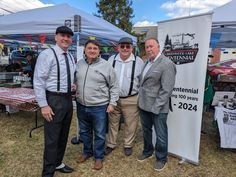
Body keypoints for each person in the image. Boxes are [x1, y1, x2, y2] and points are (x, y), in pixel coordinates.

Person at [34, 26, 76, 177]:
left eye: (69, 37)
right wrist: (44, 105)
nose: (66, 39)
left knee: (63, 135)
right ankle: (48, 172)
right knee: (52, 138)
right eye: (63, 35)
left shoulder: (70, 56)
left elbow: (66, 77)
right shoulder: (47, 54)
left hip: (67, 99)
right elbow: (38, 81)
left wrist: (72, 85)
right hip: (53, 99)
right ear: (56, 37)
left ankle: (58, 162)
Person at [75, 40, 119, 170]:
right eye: (89, 48)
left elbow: (114, 86)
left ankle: (98, 157)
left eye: (95, 48)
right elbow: (74, 81)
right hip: (81, 105)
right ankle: (87, 152)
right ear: (85, 50)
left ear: (99, 51)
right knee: (84, 131)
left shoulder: (106, 65)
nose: (92, 50)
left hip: (99, 106)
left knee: (99, 134)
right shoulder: (79, 64)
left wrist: (112, 103)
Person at [137, 38, 176, 171]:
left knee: (161, 134)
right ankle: (148, 151)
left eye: (151, 47)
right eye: (147, 47)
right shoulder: (146, 62)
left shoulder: (166, 64)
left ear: (158, 47)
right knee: (146, 131)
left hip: (158, 107)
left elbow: (167, 90)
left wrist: (156, 107)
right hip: (143, 105)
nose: (149, 49)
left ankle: (161, 158)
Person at [105, 37, 144, 156]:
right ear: (118, 47)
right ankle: (111, 143)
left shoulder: (139, 61)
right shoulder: (111, 59)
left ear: (132, 48)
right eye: (122, 46)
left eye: (128, 46)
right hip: (114, 99)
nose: (125, 48)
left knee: (131, 123)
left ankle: (128, 144)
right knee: (113, 122)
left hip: (131, 98)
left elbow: (142, 80)